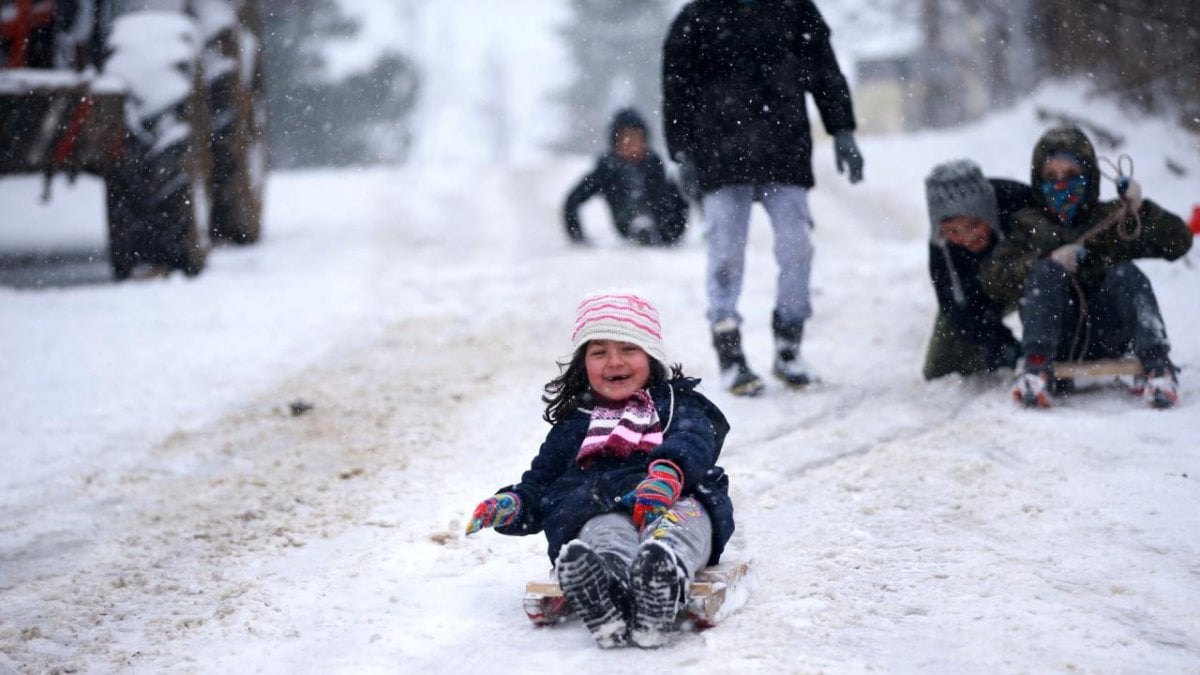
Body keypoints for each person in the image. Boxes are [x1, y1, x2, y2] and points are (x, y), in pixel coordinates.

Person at [464, 291, 734, 649]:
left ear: (651, 357)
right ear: (583, 363)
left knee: (676, 530)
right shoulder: (574, 424)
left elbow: (695, 439)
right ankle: (605, 591)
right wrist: (512, 504)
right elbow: (541, 483)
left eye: (628, 349)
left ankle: (662, 580)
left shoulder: (675, 405)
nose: (614, 361)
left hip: (673, 499)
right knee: (603, 534)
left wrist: (668, 473)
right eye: (599, 352)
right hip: (601, 506)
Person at [662, 0, 864, 396]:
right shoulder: (697, 18)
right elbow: (676, 87)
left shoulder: (795, 11)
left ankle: (789, 343)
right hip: (718, 155)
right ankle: (729, 350)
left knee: (797, 248)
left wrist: (842, 129)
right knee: (725, 255)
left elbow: (825, 70)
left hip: (784, 150)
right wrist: (682, 149)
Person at [979, 125, 1193, 409]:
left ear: (1089, 177)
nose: (1060, 185)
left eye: (1071, 176)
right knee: (1046, 273)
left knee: (1125, 273)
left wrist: (1142, 210)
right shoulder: (1027, 225)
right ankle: (1036, 369)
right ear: (1038, 180)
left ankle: (1157, 365)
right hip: (1056, 337)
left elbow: (1178, 242)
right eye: (1051, 177)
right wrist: (1045, 262)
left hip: (1107, 332)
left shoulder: (1111, 218)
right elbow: (993, 279)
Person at [923, 159, 1035, 380]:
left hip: (1029, 281)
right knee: (939, 369)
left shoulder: (1021, 203)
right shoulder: (941, 246)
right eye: (952, 231)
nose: (966, 238)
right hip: (979, 293)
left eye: (974, 225)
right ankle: (985, 361)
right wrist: (1001, 346)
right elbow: (955, 305)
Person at [562, 109, 688, 247]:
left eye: (636, 138)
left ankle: (648, 226)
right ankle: (639, 225)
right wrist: (577, 237)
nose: (631, 144)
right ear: (615, 143)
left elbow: (678, 203)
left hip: (661, 226)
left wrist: (673, 234)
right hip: (625, 221)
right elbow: (573, 200)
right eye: (625, 139)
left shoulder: (655, 165)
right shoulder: (607, 169)